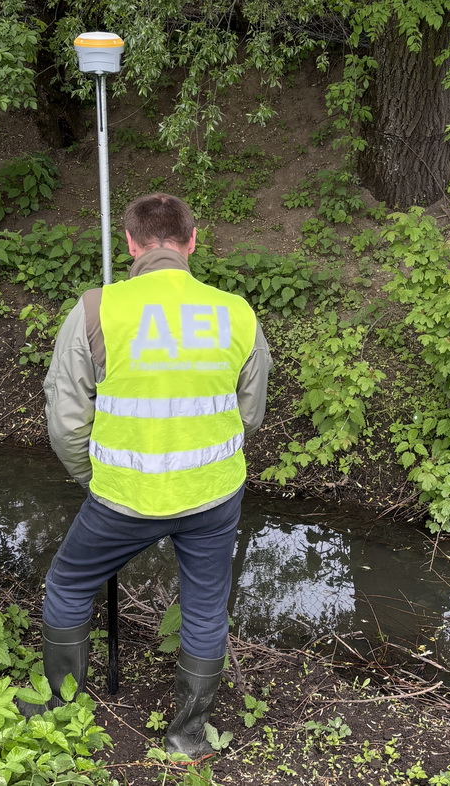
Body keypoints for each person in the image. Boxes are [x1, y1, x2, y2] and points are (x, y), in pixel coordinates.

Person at [17, 193, 271, 759]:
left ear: (130, 244)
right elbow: (249, 413)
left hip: (123, 498)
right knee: (205, 607)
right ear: (192, 242)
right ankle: (186, 736)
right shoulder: (236, 313)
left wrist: (92, 478)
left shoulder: (95, 310)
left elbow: (66, 421)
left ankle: (62, 708)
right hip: (213, 496)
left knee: (68, 585)